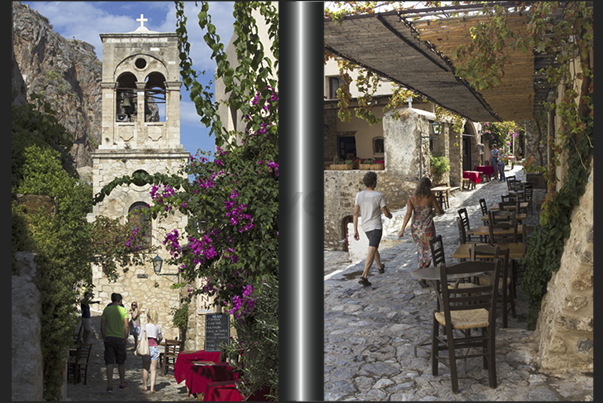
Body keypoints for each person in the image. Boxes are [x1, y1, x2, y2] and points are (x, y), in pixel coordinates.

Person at [398, 177, 443, 288]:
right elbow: (438, 211)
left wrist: (402, 229)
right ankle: (422, 276)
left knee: (421, 251)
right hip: (427, 229)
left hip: (416, 230)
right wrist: (439, 210)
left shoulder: (412, 199)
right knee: (429, 252)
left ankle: (423, 275)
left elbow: (408, 214)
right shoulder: (431, 197)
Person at [353, 171, 393, 286]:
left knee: (373, 247)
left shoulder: (359, 195)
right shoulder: (379, 196)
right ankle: (364, 276)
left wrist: (355, 230)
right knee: (372, 249)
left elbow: (355, 214)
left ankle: (380, 267)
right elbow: (385, 213)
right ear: (374, 182)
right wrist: (390, 215)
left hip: (365, 227)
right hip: (375, 226)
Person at [101, 293, 129, 392]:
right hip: (120, 338)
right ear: (120, 300)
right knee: (121, 362)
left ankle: (109, 385)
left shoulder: (107, 310)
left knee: (109, 362)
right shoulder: (123, 310)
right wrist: (126, 337)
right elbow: (126, 325)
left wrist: (104, 336)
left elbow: (103, 324)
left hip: (109, 338)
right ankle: (122, 382)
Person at [141, 308, 163, 393]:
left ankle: (145, 385)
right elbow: (160, 337)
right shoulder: (157, 327)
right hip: (154, 347)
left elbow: (140, 338)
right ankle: (152, 388)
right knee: (153, 369)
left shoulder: (145, 327)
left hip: (146, 348)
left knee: (145, 368)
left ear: (148, 317)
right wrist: (158, 342)